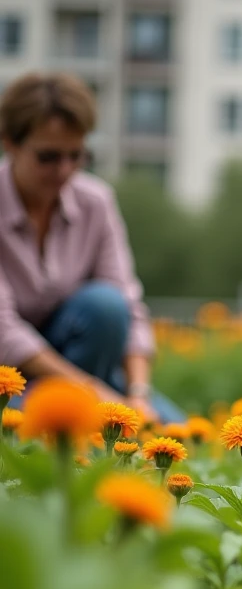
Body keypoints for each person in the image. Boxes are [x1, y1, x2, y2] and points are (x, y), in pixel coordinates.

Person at [0, 71, 183, 424]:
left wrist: (137, 396)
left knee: (175, 432)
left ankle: (77, 425)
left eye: (76, 155)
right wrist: (98, 397)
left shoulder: (95, 202)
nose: (64, 169)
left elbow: (127, 306)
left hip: (85, 369)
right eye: (48, 157)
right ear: (10, 143)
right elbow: (4, 331)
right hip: (11, 380)